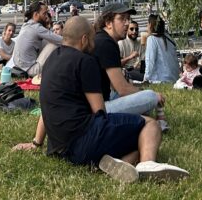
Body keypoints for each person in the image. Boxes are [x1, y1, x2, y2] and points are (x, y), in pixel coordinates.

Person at [13, 16, 188, 184]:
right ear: (83, 39)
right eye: (92, 38)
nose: (94, 42)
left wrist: (37, 143)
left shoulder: (51, 59)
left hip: (59, 148)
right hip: (83, 140)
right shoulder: (85, 61)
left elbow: (47, 105)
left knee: (140, 141)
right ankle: (148, 164)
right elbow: (100, 112)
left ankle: (123, 165)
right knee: (150, 126)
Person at [92, 4, 164, 121]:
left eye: (128, 19)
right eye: (122, 19)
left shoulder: (102, 39)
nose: (127, 23)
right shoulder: (106, 43)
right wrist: (149, 95)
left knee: (139, 98)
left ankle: (140, 118)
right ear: (108, 23)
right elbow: (122, 89)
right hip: (97, 109)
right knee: (150, 97)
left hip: (99, 102)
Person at [5, 1, 63, 79]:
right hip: (32, 70)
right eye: (44, 13)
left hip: (20, 68)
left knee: (49, 40)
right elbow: (60, 40)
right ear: (35, 14)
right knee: (54, 43)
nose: (46, 16)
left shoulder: (26, 25)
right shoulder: (37, 28)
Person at [143, 17, 180, 85]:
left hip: (162, 80)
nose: (147, 27)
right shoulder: (168, 38)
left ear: (150, 25)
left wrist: (145, 80)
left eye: (147, 24)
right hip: (175, 79)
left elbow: (150, 62)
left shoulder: (152, 39)